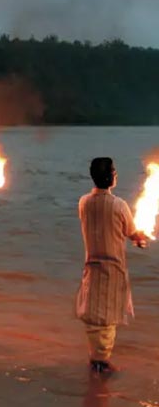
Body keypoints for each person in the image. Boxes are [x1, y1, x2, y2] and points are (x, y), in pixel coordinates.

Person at [76, 157, 148, 373]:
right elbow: (131, 232)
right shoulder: (119, 205)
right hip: (113, 266)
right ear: (111, 177)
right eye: (115, 172)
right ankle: (102, 362)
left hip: (92, 264)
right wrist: (139, 237)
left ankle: (95, 359)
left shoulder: (83, 202)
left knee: (94, 314)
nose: (116, 175)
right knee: (107, 318)